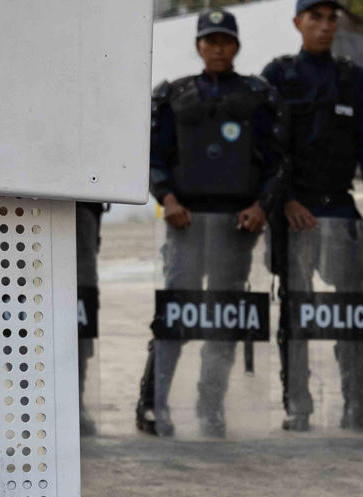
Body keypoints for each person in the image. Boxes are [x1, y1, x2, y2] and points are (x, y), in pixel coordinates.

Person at [136, 9, 286, 438]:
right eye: (210, 40)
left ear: (236, 46)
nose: (217, 48)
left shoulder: (259, 96)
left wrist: (262, 206)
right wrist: (166, 197)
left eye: (225, 41)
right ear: (198, 46)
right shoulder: (172, 95)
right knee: (175, 315)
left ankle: (210, 405)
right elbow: (151, 156)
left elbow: (277, 160)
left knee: (224, 318)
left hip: (236, 225)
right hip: (185, 221)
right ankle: (153, 402)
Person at [263, 0, 363, 433]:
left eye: (330, 18)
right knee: (298, 308)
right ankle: (297, 404)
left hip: (339, 205)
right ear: (297, 23)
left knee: (361, 302)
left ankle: (358, 403)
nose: (323, 26)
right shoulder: (278, 75)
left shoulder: (350, 78)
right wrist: (284, 201)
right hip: (294, 209)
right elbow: (266, 148)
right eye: (314, 18)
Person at [75, 200, 105, 438]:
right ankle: (27, 400)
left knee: (80, 310)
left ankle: (76, 401)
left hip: (82, 207)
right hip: (22, 200)